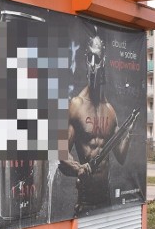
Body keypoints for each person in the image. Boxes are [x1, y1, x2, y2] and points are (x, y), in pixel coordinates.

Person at [59, 32, 138, 214]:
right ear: (86, 60)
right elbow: (60, 153)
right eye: (89, 57)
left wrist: (129, 133)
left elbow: (121, 156)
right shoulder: (76, 105)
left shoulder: (109, 110)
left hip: (106, 199)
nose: (93, 64)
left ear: (104, 61)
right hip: (85, 202)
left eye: (97, 58)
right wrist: (78, 168)